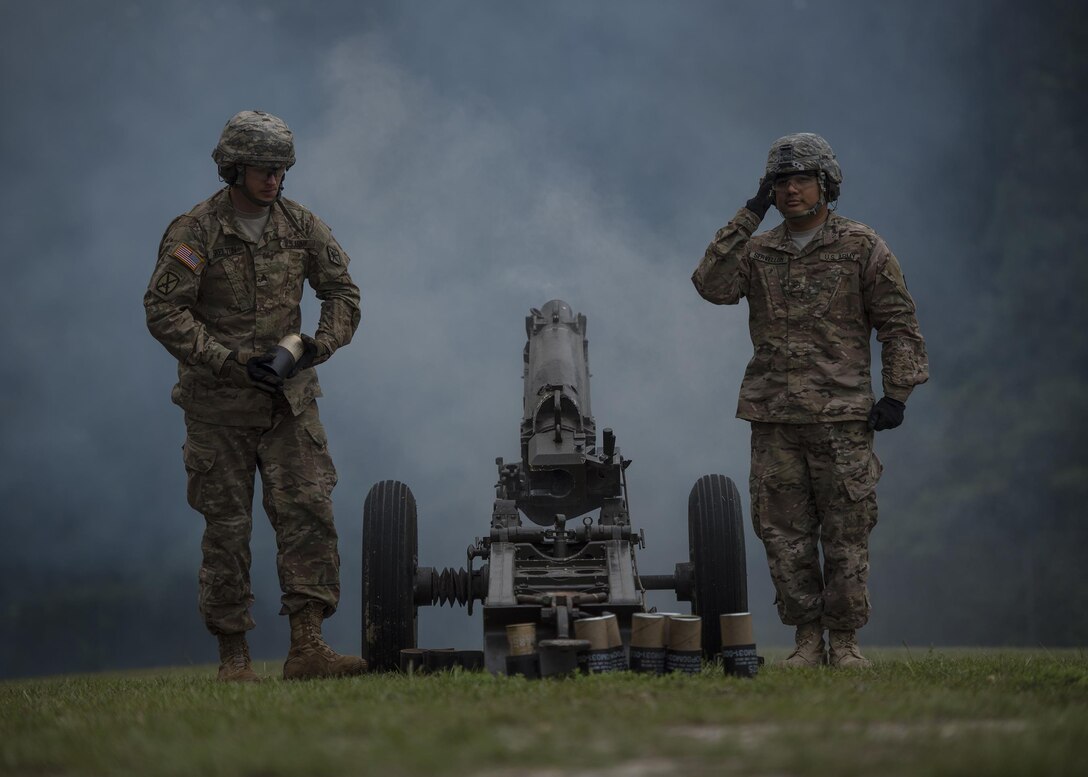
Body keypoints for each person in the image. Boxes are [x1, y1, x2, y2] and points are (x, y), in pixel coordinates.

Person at [692, 133, 928, 668]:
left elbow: (898, 322)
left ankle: (844, 644)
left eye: (802, 179)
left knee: (847, 534)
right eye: (780, 182)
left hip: (842, 418)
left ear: (826, 185)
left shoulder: (862, 246)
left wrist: (897, 394)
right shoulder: (758, 249)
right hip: (774, 418)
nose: (791, 191)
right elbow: (710, 283)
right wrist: (749, 214)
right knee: (783, 537)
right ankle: (806, 640)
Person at [145, 110, 365, 681]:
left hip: (289, 404)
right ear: (233, 168)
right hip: (218, 409)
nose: (273, 179)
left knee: (309, 515)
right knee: (227, 530)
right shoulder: (196, 231)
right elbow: (163, 309)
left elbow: (342, 291)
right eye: (263, 169)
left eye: (281, 169)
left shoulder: (299, 225)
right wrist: (225, 359)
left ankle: (308, 646)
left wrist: (319, 345)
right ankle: (234, 657)